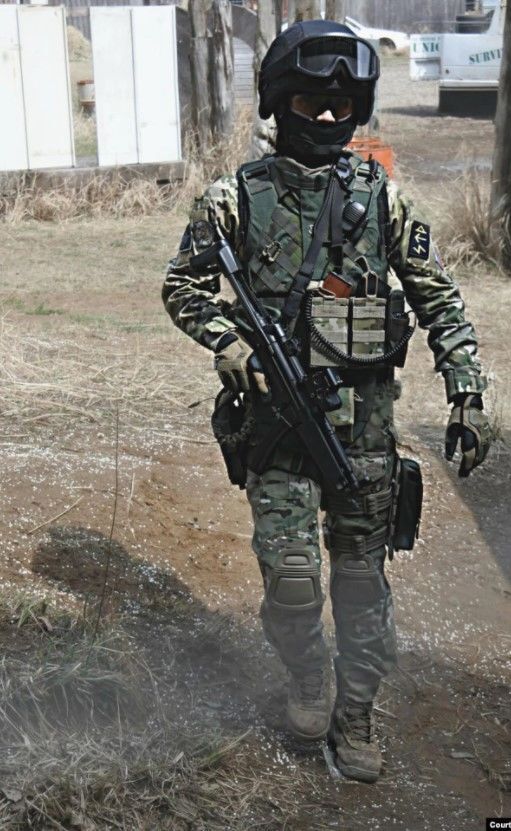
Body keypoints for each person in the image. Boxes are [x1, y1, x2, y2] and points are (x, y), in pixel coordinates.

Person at [162, 19, 492, 783]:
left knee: (361, 584)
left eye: (340, 104)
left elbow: (439, 299)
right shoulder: (234, 199)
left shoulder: (382, 200)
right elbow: (182, 287)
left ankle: (357, 714)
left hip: (364, 438)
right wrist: (233, 347)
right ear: (279, 102)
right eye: (310, 101)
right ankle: (307, 676)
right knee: (290, 581)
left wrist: (467, 391)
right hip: (277, 432)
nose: (325, 116)